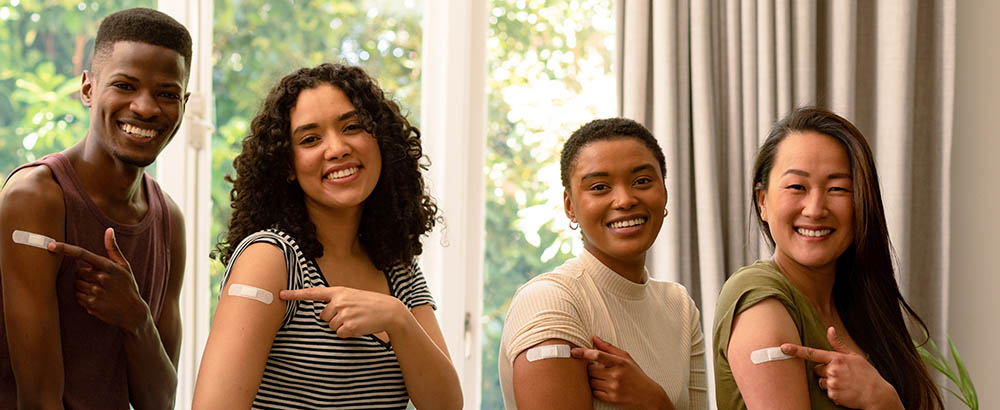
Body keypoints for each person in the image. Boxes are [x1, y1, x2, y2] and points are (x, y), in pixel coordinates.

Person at [192, 63, 462, 409]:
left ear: (381, 140)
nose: (336, 149)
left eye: (352, 127)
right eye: (310, 139)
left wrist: (399, 319)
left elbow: (447, 405)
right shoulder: (270, 258)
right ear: (287, 165)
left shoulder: (398, 268)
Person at [0, 8, 190, 409]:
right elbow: (38, 399)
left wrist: (135, 317)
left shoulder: (169, 220)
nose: (145, 108)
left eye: (167, 94)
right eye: (125, 85)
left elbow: (159, 401)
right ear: (88, 89)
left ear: (184, 104)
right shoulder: (34, 199)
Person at [713, 107, 944, 410]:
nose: (815, 208)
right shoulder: (761, 298)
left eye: (838, 188)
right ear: (763, 201)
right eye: (797, 187)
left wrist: (882, 399)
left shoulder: (861, 305)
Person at [499, 118, 706, 410]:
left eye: (642, 181)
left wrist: (656, 403)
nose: (624, 200)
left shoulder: (679, 306)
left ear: (665, 192)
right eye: (599, 187)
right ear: (570, 206)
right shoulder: (550, 301)